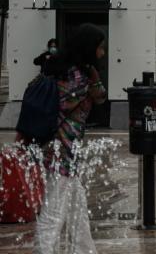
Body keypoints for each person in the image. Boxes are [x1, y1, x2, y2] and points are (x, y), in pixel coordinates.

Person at [33, 24, 107, 254]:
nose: (102, 53)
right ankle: (43, 251)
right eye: (100, 48)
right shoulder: (75, 77)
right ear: (89, 48)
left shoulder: (71, 71)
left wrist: (93, 77)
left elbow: (99, 97)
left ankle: (85, 250)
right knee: (54, 212)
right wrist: (92, 80)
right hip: (60, 150)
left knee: (77, 207)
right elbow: (97, 97)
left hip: (64, 149)